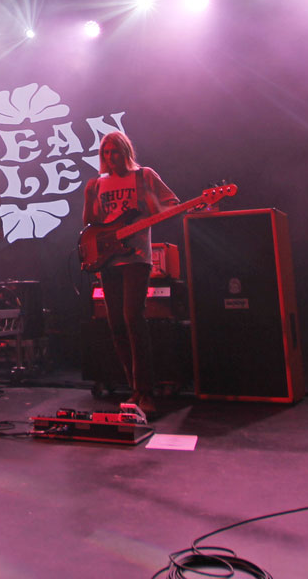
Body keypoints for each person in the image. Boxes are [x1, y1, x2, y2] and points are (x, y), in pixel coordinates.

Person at [82, 131, 179, 417]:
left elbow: (172, 203)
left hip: (136, 257)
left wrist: (154, 209)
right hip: (108, 261)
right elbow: (91, 224)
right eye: (105, 152)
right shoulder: (97, 184)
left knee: (133, 318)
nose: (110, 157)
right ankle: (134, 388)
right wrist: (88, 198)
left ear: (125, 151)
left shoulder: (144, 176)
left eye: (115, 151)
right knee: (116, 325)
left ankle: (146, 391)